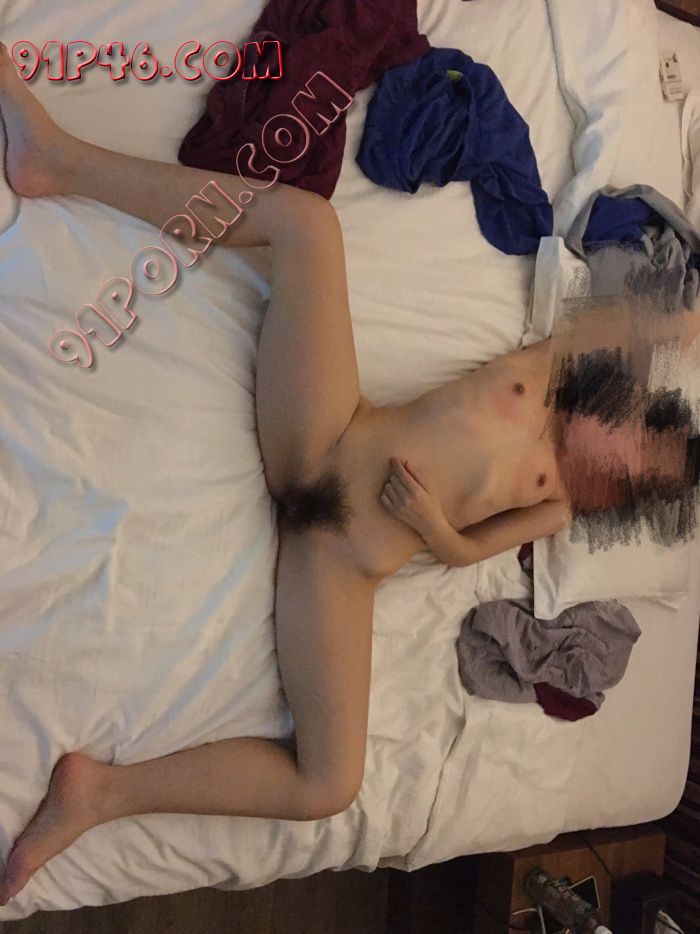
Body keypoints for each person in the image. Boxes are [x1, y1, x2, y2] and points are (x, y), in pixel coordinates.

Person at [0, 40, 697, 906]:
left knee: (328, 782)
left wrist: (434, 526)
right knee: (308, 227)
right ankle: (59, 161)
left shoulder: (559, 503)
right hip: (325, 435)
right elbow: (676, 324)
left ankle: (101, 795)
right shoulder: (561, 365)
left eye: (636, 473)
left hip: (342, 562)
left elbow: (465, 553)